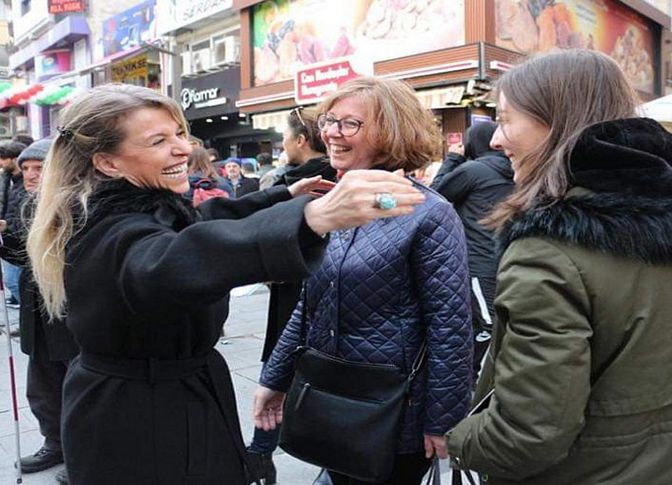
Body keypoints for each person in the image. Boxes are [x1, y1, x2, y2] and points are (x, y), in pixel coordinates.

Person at [26, 83, 426, 485]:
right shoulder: (111, 231)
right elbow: (180, 258)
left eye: (180, 133)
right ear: (108, 163)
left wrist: (284, 196)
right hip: (139, 422)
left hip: (171, 401)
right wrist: (312, 219)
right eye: (158, 141)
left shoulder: (142, 205)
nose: (183, 149)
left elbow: (203, 221)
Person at [444, 50, 672, 484]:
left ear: (556, 123)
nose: (495, 139)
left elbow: (527, 434)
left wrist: (456, 440)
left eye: (506, 118)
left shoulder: (546, 254)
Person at [254, 77, 474, 485]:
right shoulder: (335, 205)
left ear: (391, 132)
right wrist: (274, 379)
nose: (332, 133)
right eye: (329, 120)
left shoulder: (429, 213)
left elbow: (450, 326)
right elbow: (309, 303)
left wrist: (442, 420)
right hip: (327, 396)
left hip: (392, 411)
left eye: (349, 124)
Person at [247, 106, 337, 484]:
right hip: (329, 300)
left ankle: (261, 454)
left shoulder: (290, 184)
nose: (282, 144)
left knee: (278, 370)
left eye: (285, 137)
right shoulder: (342, 181)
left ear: (301, 141)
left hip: (294, 296)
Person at [0, 139, 77, 485]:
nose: (30, 174)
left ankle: (82, 452)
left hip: (68, 310)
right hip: (37, 311)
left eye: (38, 168)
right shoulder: (27, 203)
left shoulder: (77, 205)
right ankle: (54, 443)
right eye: (26, 168)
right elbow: (23, 258)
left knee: (76, 386)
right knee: (42, 386)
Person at [431, 121, 513, 380]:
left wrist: (453, 159)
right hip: (508, 258)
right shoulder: (515, 169)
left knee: (487, 325)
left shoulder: (473, 170)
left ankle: (483, 384)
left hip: (480, 263)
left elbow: (435, 196)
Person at [0, 140, 27, 309]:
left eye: (3, 158)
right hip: (8, 236)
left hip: (19, 238)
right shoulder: (7, 179)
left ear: (14, 159)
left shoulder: (25, 184)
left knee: (13, 281)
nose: (1, 163)